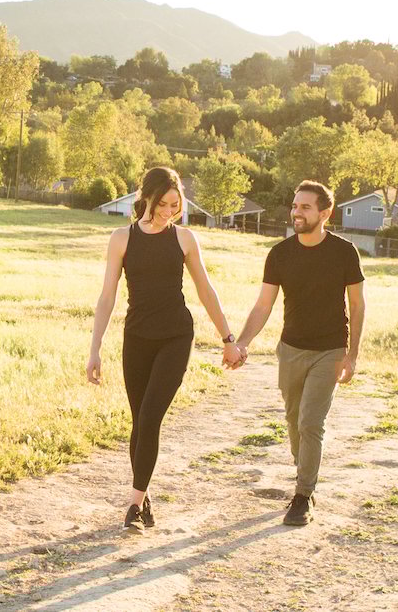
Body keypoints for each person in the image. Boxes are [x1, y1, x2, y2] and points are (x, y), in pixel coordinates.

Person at [85, 167, 244, 529]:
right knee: (139, 422)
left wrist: (228, 339)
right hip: (137, 338)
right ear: (149, 199)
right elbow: (107, 296)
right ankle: (144, 494)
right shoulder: (121, 239)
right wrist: (94, 349)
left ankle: (134, 506)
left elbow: (205, 290)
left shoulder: (185, 239)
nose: (171, 210)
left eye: (176, 204)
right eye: (165, 204)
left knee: (151, 416)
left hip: (175, 337)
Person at [232, 180, 366, 526]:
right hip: (290, 349)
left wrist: (352, 355)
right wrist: (243, 341)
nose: (297, 212)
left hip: (330, 349)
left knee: (310, 422)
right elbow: (263, 305)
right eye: (294, 206)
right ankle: (304, 473)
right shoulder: (280, 254)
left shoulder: (344, 252)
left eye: (305, 207)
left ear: (325, 212)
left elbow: (357, 304)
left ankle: (303, 495)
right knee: (294, 422)